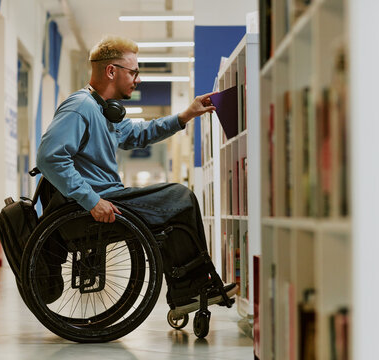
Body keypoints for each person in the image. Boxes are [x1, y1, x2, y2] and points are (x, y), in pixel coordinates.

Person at [36, 35, 236, 311]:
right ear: (111, 71)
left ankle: (190, 289)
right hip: (94, 203)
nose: (138, 79)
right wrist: (91, 200)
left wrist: (185, 115)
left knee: (177, 203)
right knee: (178, 196)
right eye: (134, 72)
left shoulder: (104, 111)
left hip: (107, 196)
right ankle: (189, 289)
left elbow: (139, 134)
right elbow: (50, 157)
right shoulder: (80, 106)